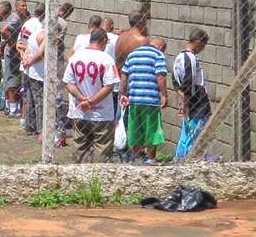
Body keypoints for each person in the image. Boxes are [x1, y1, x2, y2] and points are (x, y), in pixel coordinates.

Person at [63, 29, 120, 162]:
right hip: (102, 113)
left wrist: (82, 99)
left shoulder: (76, 57)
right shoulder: (106, 59)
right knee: (102, 146)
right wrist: (92, 101)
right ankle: (98, 177)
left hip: (80, 111)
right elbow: (109, 86)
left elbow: (68, 82)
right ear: (104, 40)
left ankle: (80, 175)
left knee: (80, 144)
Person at [120, 36, 168, 165]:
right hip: (150, 98)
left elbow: (124, 75)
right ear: (161, 47)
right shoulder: (158, 54)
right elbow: (160, 75)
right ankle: (151, 158)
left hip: (134, 98)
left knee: (135, 128)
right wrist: (164, 95)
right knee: (152, 128)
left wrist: (123, 93)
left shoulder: (133, 54)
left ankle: (136, 157)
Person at [172, 28, 211, 161]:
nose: (203, 48)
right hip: (197, 103)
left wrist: (182, 97)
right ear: (199, 42)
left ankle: (179, 160)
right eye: (204, 45)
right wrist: (186, 100)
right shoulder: (191, 57)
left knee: (185, 134)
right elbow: (188, 81)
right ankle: (189, 161)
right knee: (195, 136)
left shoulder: (179, 57)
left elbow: (175, 81)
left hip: (189, 102)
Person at [20, 27, 46, 136]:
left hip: (30, 71)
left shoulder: (34, 33)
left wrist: (25, 59)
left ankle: (30, 126)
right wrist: (29, 62)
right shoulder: (44, 36)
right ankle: (40, 129)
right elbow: (40, 54)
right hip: (38, 73)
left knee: (30, 98)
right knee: (39, 101)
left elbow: (26, 49)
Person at [0, 1, 23, 117]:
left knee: (12, 79)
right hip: (10, 53)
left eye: (0, 8)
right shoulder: (5, 18)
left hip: (13, 53)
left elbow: (3, 32)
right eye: (22, 5)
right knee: (10, 79)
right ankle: (11, 107)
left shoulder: (14, 18)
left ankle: (12, 107)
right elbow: (3, 34)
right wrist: (1, 49)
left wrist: (11, 43)